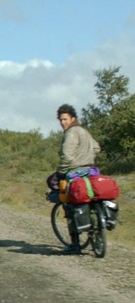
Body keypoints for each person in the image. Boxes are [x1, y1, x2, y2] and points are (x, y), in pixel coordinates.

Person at [53, 103, 101, 255]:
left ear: (73, 118)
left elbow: (67, 156)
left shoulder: (71, 133)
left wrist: (60, 172)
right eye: (61, 120)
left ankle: (75, 244)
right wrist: (87, 156)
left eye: (65, 119)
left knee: (69, 204)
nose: (63, 122)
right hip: (91, 170)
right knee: (90, 198)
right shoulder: (84, 131)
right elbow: (96, 148)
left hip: (75, 172)